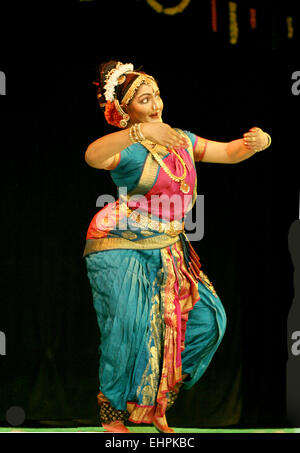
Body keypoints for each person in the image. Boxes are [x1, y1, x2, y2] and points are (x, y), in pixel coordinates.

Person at [83, 60, 271, 433]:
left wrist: (257, 144)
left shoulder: (180, 139)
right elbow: (93, 156)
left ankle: (156, 398)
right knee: (127, 326)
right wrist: (136, 134)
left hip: (168, 245)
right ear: (126, 111)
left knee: (208, 321)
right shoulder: (130, 147)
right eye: (144, 100)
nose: (155, 106)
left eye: (157, 97)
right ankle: (113, 416)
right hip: (118, 244)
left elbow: (229, 152)